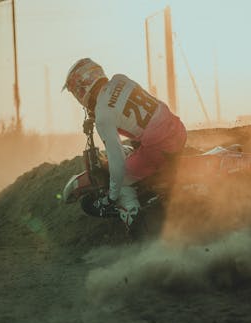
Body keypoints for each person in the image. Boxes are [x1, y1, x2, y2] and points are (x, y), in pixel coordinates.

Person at [62, 58, 187, 230]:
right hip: (178, 130)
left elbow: (118, 164)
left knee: (120, 180)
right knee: (136, 152)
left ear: (82, 88)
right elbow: (126, 109)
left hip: (159, 148)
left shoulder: (103, 115)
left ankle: (138, 226)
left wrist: (111, 198)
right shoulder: (120, 79)